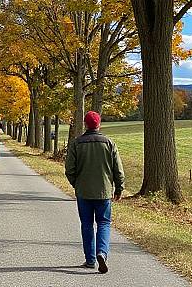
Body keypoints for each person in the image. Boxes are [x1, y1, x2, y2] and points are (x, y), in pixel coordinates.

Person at [65, 110, 124, 274]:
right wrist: (119, 188)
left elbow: (69, 169)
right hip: (104, 192)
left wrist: (76, 184)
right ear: (99, 124)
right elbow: (118, 169)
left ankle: (90, 259)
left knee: (86, 224)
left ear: (85, 124)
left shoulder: (77, 143)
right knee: (104, 223)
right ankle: (102, 253)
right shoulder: (109, 143)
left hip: (83, 192)